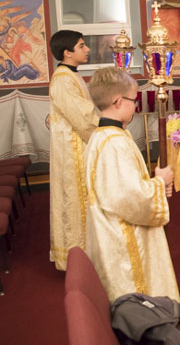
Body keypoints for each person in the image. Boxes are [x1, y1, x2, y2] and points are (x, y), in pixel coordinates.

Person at [84, 66, 179, 302]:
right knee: (138, 299)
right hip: (123, 239)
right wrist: (159, 182)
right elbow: (128, 198)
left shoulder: (102, 135)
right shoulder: (114, 144)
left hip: (109, 229)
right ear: (118, 101)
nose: (136, 106)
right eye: (133, 101)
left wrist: (155, 183)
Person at [48, 30, 99, 271]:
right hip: (72, 152)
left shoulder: (70, 76)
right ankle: (76, 258)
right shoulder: (63, 79)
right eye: (81, 45)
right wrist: (109, 123)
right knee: (75, 201)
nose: (87, 49)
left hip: (77, 146)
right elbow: (82, 115)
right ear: (67, 52)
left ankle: (85, 255)